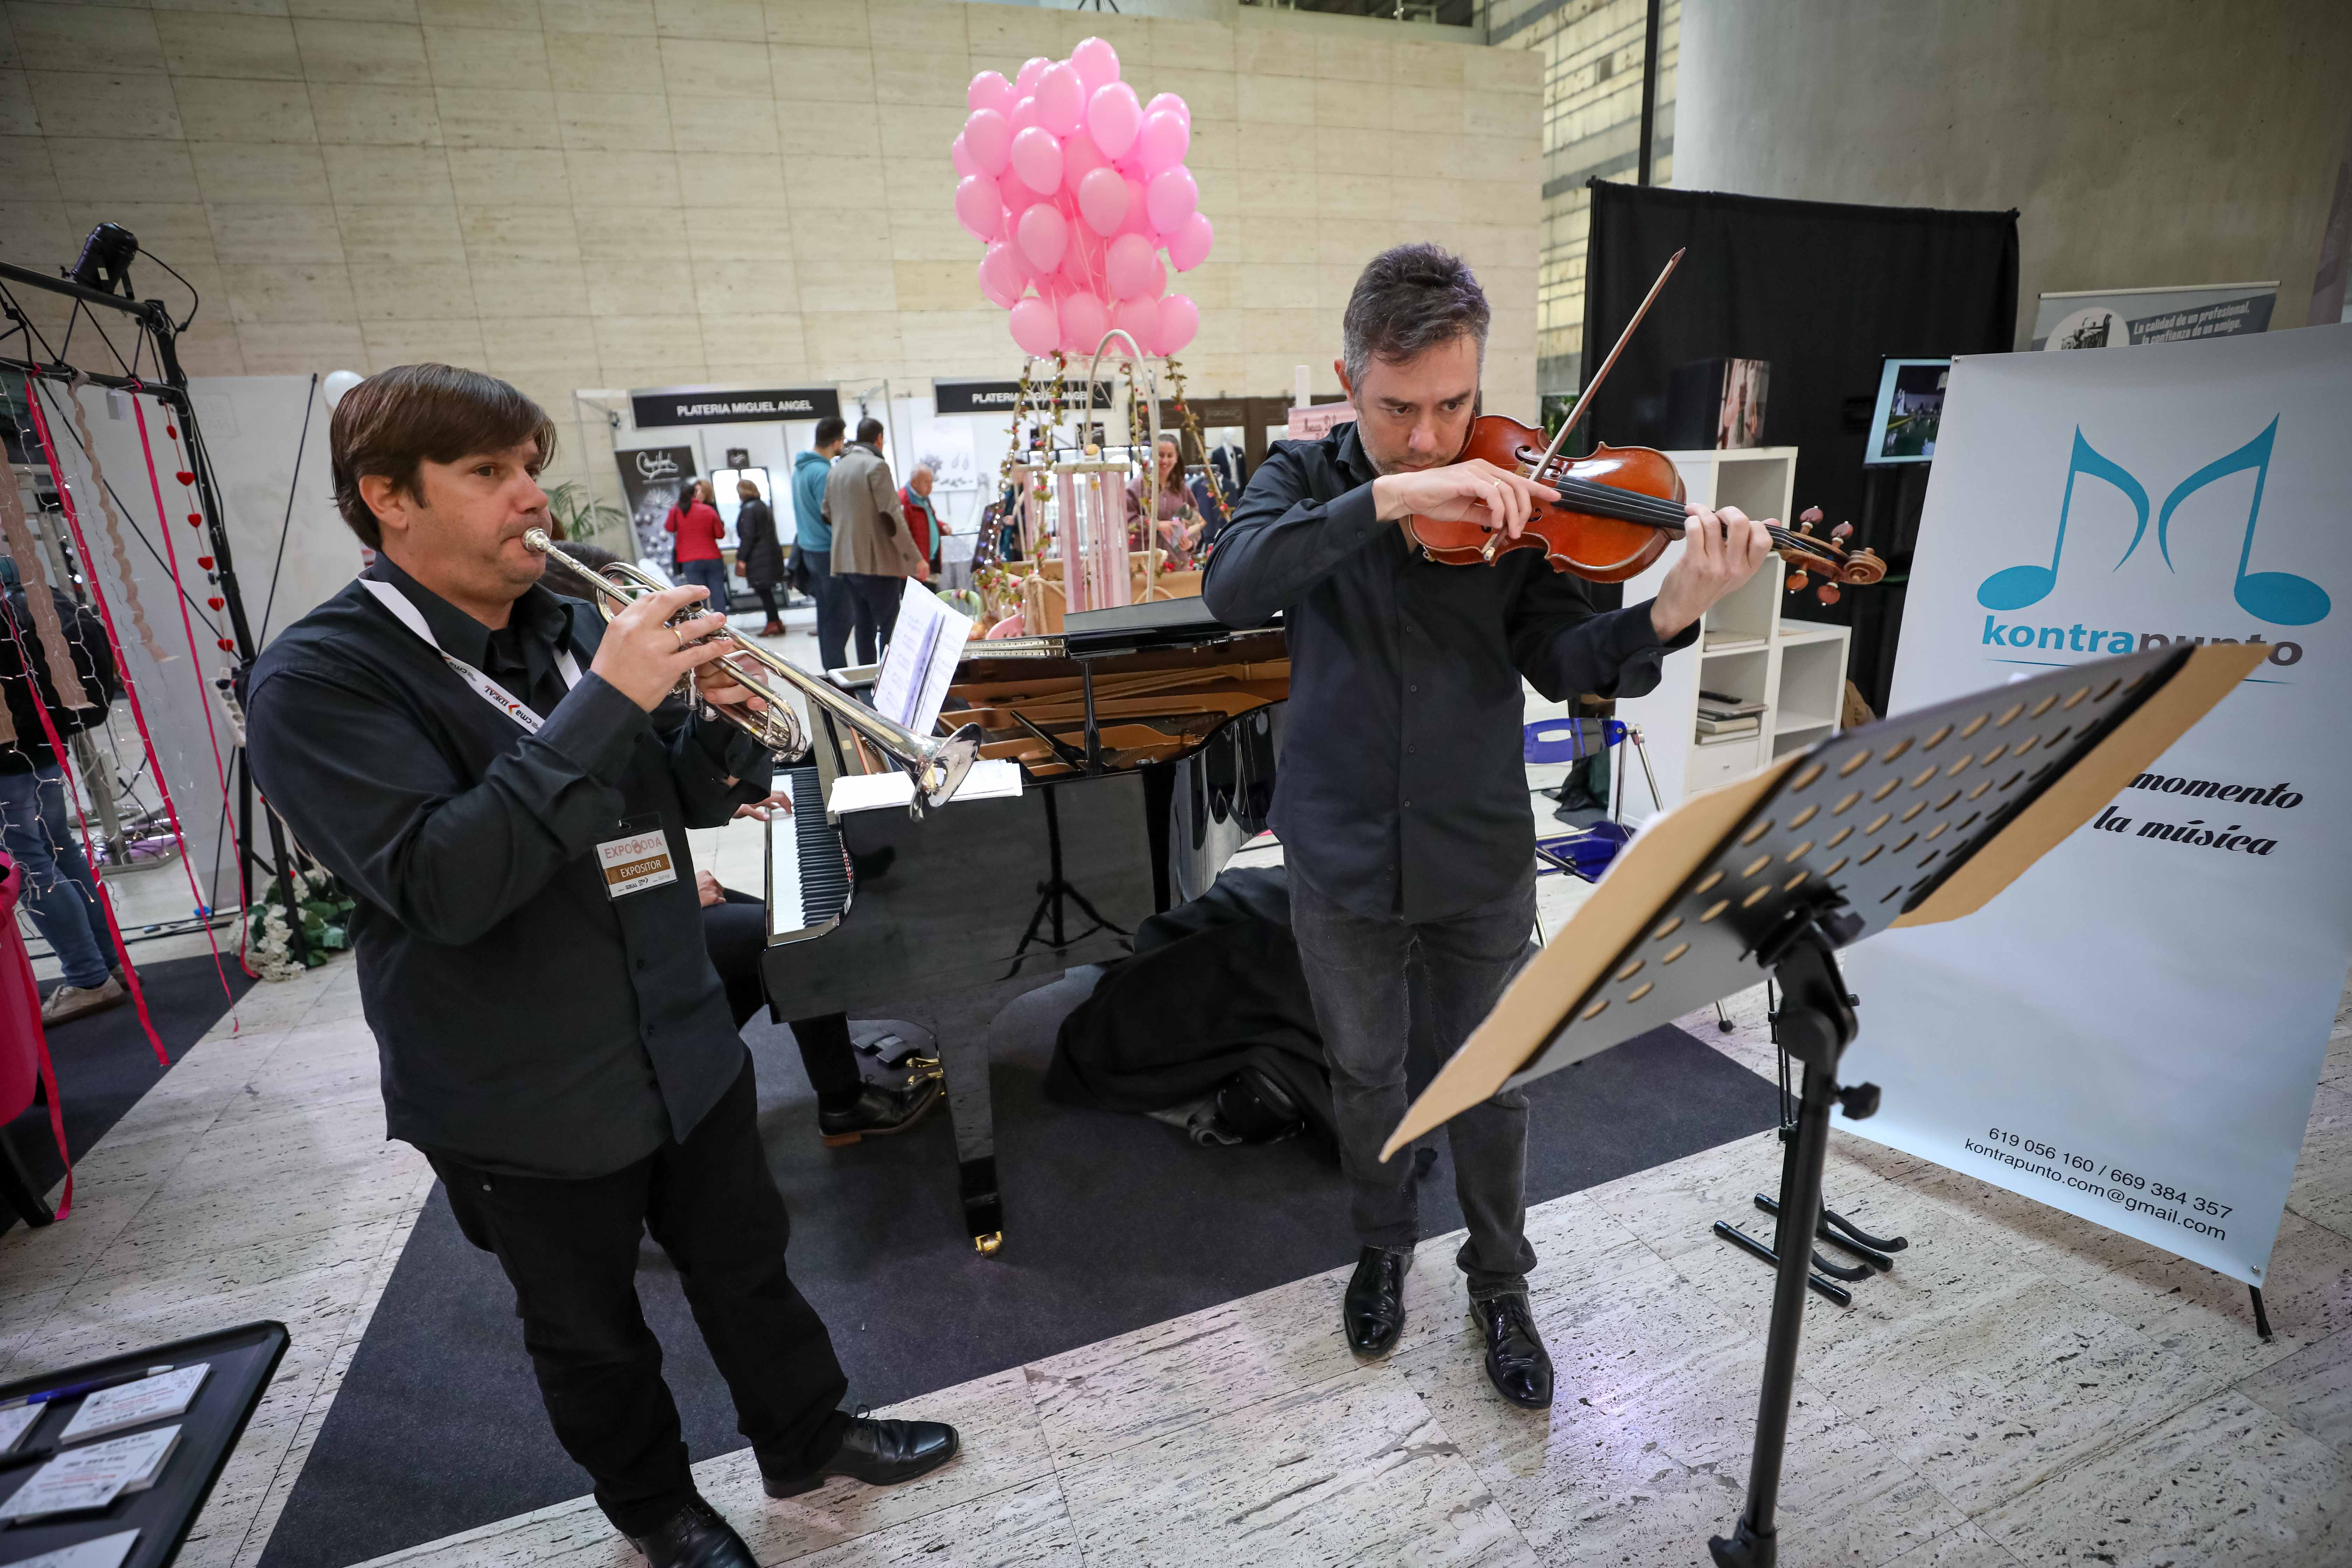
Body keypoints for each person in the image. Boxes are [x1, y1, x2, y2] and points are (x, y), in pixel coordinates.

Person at [245, 364, 958, 1568]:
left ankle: (804, 1436)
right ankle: (657, 1511)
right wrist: (610, 703)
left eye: (531, 466)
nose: (532, 498)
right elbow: (441, 883)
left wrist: (714, 718)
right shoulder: (319, 682)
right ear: (388, 498)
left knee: (749, 1266)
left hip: (674, 1025)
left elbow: (668, 796)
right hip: (516, 1077)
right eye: (487, 474)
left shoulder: (570, 623)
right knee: (592, 1332)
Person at [1202, 246, 1770, 1411]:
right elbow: (1233, 582)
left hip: (1475, 850)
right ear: (1348, 381)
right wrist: (1393, 501)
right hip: (1339, 851)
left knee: (1496, 1082)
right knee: (1365, 1077)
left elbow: (1566, 662)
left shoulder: (1522, 496)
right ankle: (1381, 1244)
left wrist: (1668, 611)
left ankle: (1500, 1282)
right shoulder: (1300, 481)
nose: (1431, 438)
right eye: (1398, 410)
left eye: (1455, 405)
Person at [0, 556, 126, 1024]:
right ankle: (111, 964)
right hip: (46, 745)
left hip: (7, 756)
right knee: (60, 849)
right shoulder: (32, 594)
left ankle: (88, 978)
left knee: (30, 865)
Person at [826, 418, 926, 664]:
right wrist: (916, 559)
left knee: (864, 625)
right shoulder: (876, 467)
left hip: (845, 561)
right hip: (877, 563)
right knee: (891, 625)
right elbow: (892, 518)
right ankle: (890, 679)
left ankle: (866, 679)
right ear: (879, 439)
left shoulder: (837, 468)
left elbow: (826, 513)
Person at [791, 420, 850, 670]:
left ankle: (833, 672)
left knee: (828, 618)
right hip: (828, 553)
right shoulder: (823, 473)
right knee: (841, 618)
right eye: (844, 440)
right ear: (836, 442)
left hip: (810, 552)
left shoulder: (801, 470)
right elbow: (831, 517)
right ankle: (839, 676)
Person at [1127, 433, 1219, 572]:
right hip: (1144, 564)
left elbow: (1195, 522)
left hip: (1178, 565)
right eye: (1161, 455)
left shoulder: (1182, 489)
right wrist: (1156, 525)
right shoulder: (1137, 486)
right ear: (1153, 456)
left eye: (1170, 456)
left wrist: (1189, 544)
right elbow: (1126, 522)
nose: (1165, 460)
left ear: (1177, 459)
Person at [731, 480, 786, 637]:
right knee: (766, 591)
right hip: (770, 555)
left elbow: (748, 536)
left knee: (764, 592)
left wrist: (742, 558)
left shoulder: (748, 510)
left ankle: (773, 623)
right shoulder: (763, 506)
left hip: (758, 557)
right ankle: (776, 621)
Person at [665, 479, 728, 614]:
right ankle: (721, 626)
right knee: (718, 593)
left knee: (698, 596)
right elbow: (720, 534)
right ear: (695, 493)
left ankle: (703, 627)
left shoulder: (676, 511)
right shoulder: (708, 510)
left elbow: (669, 528)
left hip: (690, 560)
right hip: (713, 558)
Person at [898, 464, 942, 574]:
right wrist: (917, 561)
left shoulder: (924, 498)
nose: (930, 486)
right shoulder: (904, 500)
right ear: (914, 483)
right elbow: (902, 536)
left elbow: (928, 521)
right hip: (916, 567)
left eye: (931, 482)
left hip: (929, 562)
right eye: (926, 482)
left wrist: (942, 526)